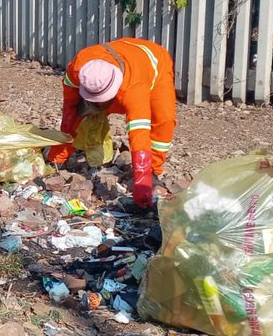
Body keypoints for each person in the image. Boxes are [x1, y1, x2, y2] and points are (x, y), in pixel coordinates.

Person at [45, 37, 177, 208]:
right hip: (123, 52)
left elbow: (139, 135)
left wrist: (142, 181)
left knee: (164, 119)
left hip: (155, 63)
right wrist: (57, 155)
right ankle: (58, 157)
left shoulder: (133, 91)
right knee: (80, 113)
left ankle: (154, 170)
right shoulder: (79, 68)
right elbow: (70, 108)